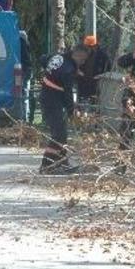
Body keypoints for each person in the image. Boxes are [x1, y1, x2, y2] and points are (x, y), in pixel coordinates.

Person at [38, 44, 90, 174]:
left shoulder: (58, 57)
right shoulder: (68, 70)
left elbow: (43, 59)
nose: (82, 63)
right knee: (58, 134)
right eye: (82, 60)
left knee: (62, 133)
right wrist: (72, 111)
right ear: (76, 55)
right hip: (52, 100)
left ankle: (61, 162)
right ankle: (47, 165)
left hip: (47, 95)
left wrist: (52, 73)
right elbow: (67, 94)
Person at [76, 35, 112, 107]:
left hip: (97, 85)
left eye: (89, 46)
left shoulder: (103, 56)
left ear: (95, 46)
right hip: (83, 85)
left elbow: (109, 69)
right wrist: (78, 72)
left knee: (95, 106)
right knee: (82, 105)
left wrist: (101, 76)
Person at [19, 31, 33, 123]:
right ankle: (25, 117)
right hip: (27, 70)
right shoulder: (27, 45)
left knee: (22, 94)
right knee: (25, 93)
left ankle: (23, 117)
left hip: (23, 70)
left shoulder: (20, 44)